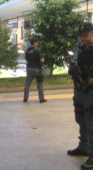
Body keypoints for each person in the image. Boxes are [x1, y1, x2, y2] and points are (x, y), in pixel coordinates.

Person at [67, 22, 93, 170]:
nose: (82, 38)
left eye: (85, 35)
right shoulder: (82, 49)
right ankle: (83, 147)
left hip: (91, 91)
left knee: (91, 124)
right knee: (81, 119)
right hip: (80, 90)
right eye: (81, 36)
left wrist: (89, 80)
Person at [23, 37, 47, 103]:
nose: (38, 43)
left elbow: (26, 58)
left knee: (27, 84)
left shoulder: (27, 51)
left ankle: (25, 98)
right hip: (37, 69)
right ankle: (41, 99)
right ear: (35, 43)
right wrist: (42, 60)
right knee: (40, 84)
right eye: (37, 42)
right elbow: (42, 60)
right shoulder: (37, 51)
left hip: (29, 69)